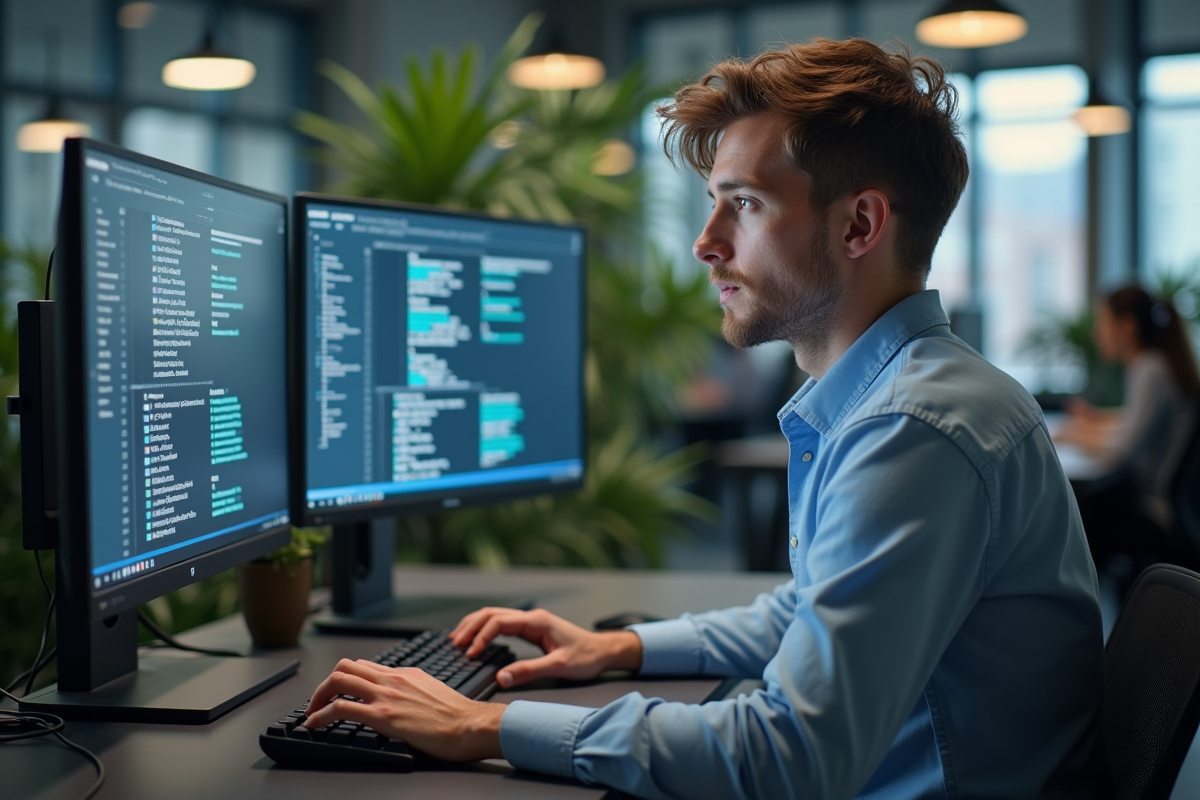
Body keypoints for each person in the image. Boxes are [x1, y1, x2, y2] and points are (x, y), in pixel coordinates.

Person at [302, 38, 1104, 799]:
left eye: (743, 205)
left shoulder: (912, 428)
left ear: (859, 225)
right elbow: (813, 608)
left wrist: (485, 722)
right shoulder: (907, 395)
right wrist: (618, 647)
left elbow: (790, 759)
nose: (704, 244)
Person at [1056, 285, 1200, 565]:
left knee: (1079, 520)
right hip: (1165, 508)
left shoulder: (1150, 371)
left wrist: (1073, 435)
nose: (1097, 334)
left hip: (1154, 513)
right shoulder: (1155, 365)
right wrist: (1095, 421)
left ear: (1127, 326)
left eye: (1103, 323)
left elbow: (1123, 449)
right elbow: (1132, 421)